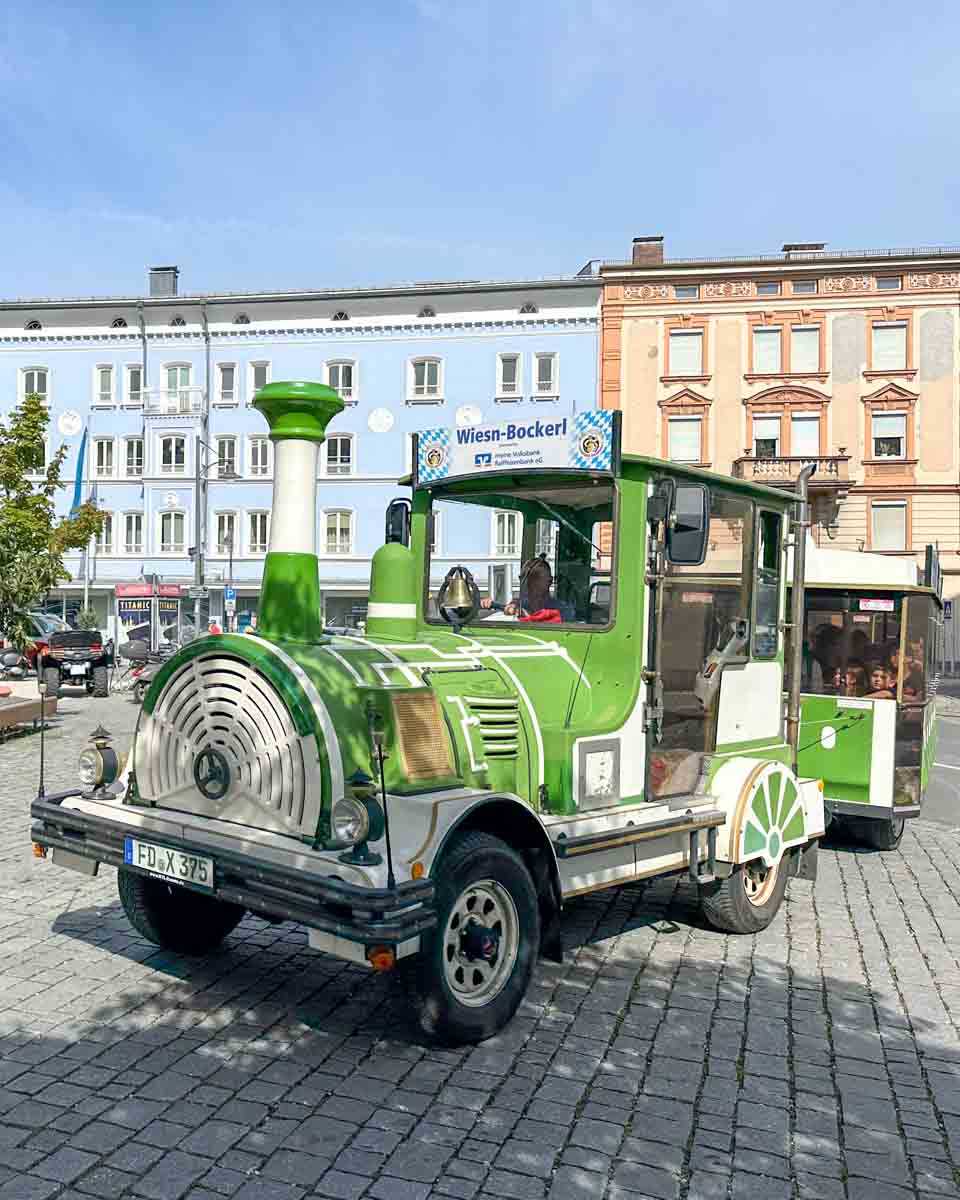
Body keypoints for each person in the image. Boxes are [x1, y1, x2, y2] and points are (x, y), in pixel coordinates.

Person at [480, 557, 574, 623]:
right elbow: (511, 607)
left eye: (536, 578)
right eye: (524, 578)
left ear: (550, 581)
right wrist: (489, 603)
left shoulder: (563, 611)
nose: (530, 583)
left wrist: (527, 617)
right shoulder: (519, 604)